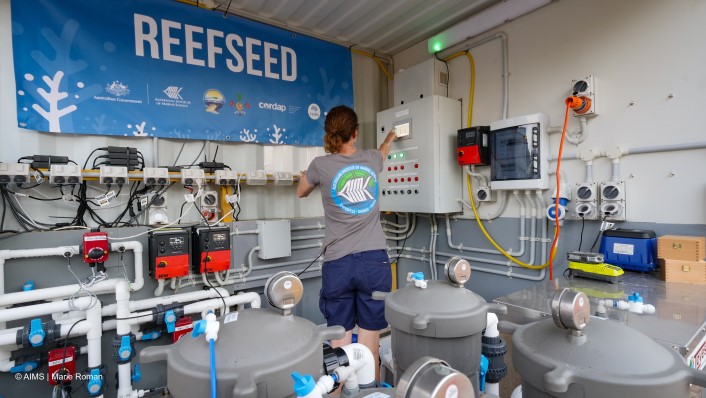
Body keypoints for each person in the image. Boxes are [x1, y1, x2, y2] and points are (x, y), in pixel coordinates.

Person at [297, 105, 396, 384]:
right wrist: (390, 137)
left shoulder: (320, 165)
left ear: (330, 133)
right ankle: (370, 392)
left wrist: (305, 177)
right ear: (355, 132)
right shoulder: (371, 158)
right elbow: (384, 151)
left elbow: (301, 191)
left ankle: (337, 391)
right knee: (369, 345)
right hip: (374, 262)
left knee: (339, 347)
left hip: (338, 264)